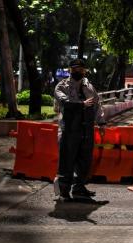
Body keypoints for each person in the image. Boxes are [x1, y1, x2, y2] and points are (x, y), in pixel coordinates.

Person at [54, 58, 106, 201]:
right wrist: (81, 104)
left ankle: (79, 187)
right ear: (70, 70)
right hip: (69, 129)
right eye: (75, 69)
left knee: (85, 160)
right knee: (67, 160)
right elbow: (64, 102)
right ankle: (64, 191)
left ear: (84, 70)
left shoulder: (89, 86)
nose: (78, 71)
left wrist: (101, 123)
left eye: (81, 69)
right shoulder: (61, 86)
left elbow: (97, 104)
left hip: (86, 129)